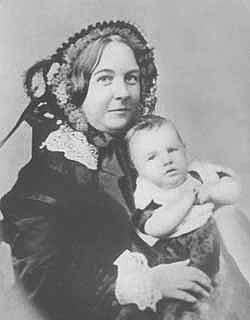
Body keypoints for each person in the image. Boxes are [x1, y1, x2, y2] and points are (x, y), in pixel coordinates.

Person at [0, 21, 214, 320]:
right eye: (105, 79)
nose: (122, 92)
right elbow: (41, 277)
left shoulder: (143, 155)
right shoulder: (50, 172)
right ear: (76, 88)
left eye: (131, 78)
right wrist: (149, 283)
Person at [125, 114, 241, 319]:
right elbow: (156, 227)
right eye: (152, 157)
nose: (166, 160)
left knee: (232, 298)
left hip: (216, 254)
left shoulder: (197, 175)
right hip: (180, 263)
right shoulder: (147, 197)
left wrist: (213, 191)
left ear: (184, 148)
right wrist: (187, 199)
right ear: (136, 166)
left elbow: (235, 190)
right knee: (186, 310)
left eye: (172, 150)